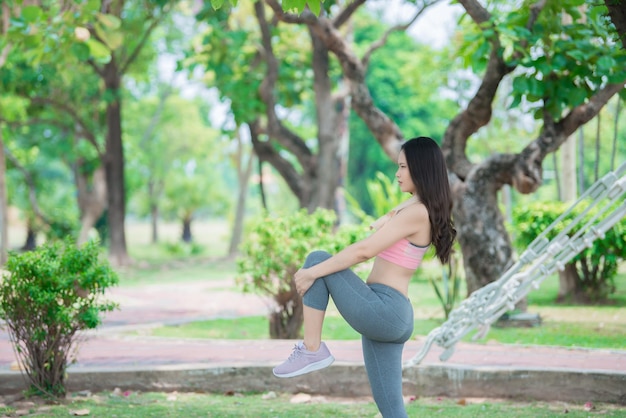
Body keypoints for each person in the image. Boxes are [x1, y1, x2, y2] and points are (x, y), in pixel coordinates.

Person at [272, 136, 457, 418]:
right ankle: (312, 349)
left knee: (318, 259)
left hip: (384, 309)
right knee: (391, 410)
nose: (397, 174)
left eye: (404, 167)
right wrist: (387, 215)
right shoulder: (416, 207)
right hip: (388, 314)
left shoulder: (418, 212)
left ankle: (313, 349)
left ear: (421, 169)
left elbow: (364, 251)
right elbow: (396, 215)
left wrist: (311, 274)